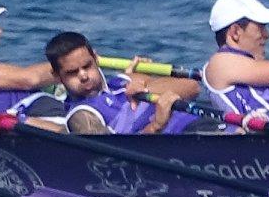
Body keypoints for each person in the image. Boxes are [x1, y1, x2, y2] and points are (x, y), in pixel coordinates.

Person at [48, 31, 200, 134]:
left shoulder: (122, 81)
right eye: (72, 72)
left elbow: (192, 87)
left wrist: (147, 88)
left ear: (96, 58)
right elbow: (112, 158)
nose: (83, 76)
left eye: (87, 66)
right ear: (57, 76)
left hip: (200, 126)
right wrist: (156, 126)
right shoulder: (82, 115)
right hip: (185, 142)